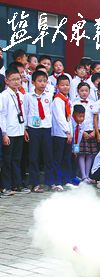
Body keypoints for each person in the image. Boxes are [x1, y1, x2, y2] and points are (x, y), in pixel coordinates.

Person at [0, 67, 29, 195]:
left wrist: (25, 130)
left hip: (19, 131)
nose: (17, 82)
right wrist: (4, 133)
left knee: (17, 159)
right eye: (13, 80)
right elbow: (2, 115)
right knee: (7, 160)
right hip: (9, 132)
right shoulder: (4, 96)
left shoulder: (21, 95)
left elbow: (24, 114)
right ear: (6, 81)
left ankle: (16, 184)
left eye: (18, 79)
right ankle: (6, 186)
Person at [24, 70, 54, 193]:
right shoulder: (28, 96)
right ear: (33, 82)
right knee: (34, 156)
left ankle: (50, 182)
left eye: (44, 81)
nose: (42, 84)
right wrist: (25, 128)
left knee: (48, 156)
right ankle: (35, 183)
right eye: (39, 81)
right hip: (33, 129)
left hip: (46, 127)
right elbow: (25, 112)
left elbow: (50, 112)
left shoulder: (48, 96)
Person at [50, 74, 73, 191]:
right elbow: (60, 118)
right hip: (59, 134)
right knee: (57, 158)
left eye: (67, 85)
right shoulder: (57, 100)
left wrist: (70, 132)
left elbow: (69, 118)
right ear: (57, 86)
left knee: (66, 158)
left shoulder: (67, 100)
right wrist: (67, 131)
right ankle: (56, 181)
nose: (65, 87)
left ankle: (66, 180)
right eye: (62, 85)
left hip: (68, 133)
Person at [73, 82, 98, 182]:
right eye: (82, 91)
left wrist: (94, 132)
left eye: (86, 91)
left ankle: (88, 175)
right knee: (81, 154)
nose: (84, 93)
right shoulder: (74, 103)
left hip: (91, 130)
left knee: (90, 154)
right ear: (78, 91)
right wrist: (81, 131)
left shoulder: (93, 103)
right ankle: (83, 175)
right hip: (80, 132)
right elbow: (73, 119)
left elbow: (95, 119)